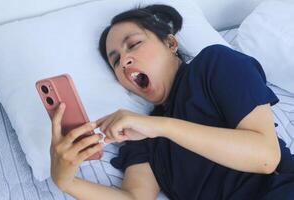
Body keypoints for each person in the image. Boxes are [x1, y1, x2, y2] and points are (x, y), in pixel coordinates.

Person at [49, 4, 294, 200]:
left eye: (134, 44)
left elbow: (265, 157)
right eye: (116, 61)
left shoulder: (215, 64)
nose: (124, 61)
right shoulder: (140, 135)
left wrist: (161, 127)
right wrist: (66, 181)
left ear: (170, 43)